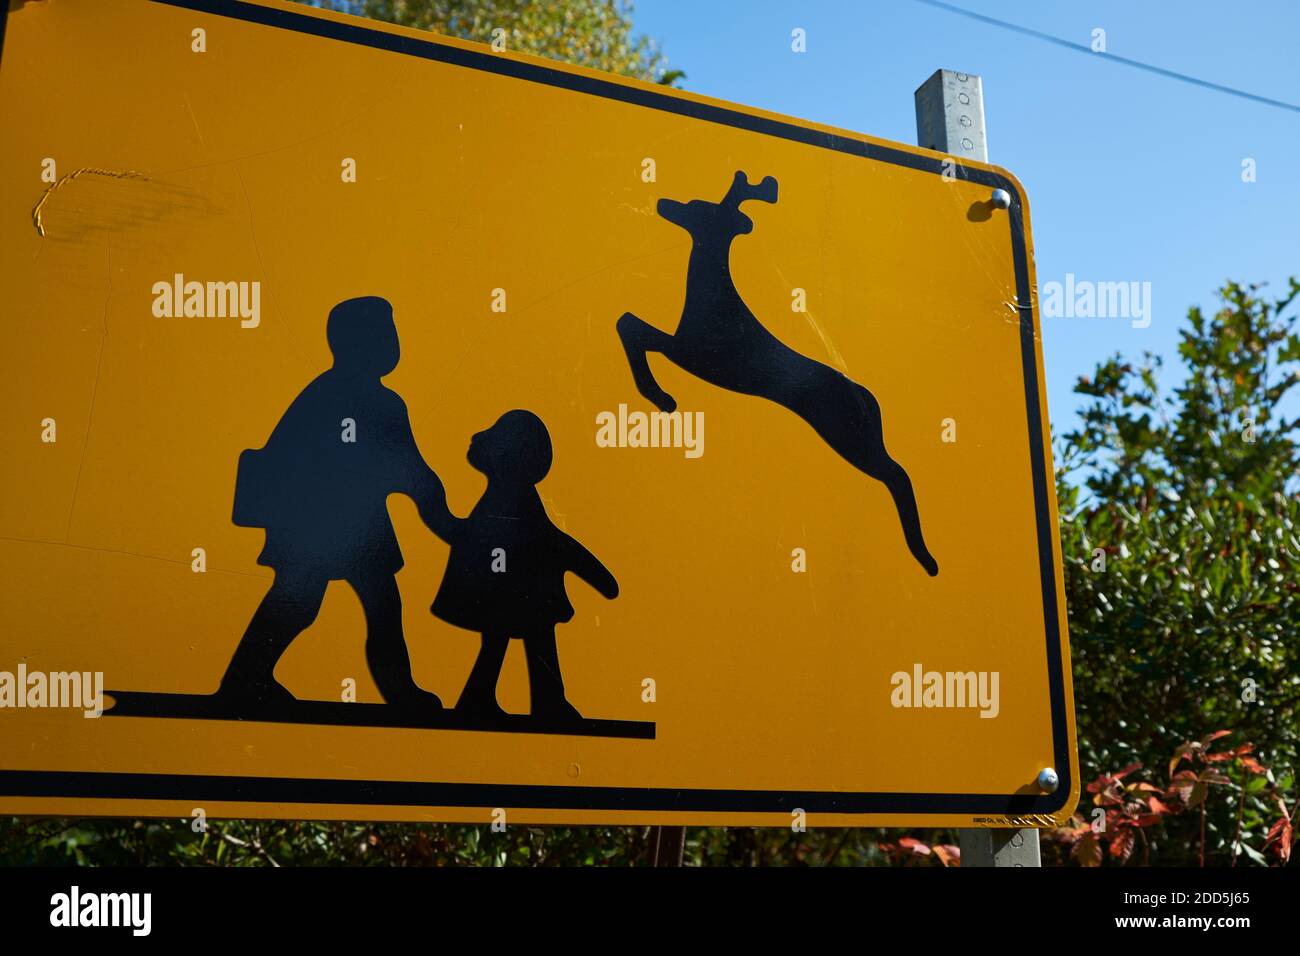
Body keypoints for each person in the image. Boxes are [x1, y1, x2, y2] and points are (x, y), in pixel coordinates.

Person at [219, 296, 452, 711]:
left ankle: (398, 689)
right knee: (316, 604)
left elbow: (409, 471)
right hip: (325, 526)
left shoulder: (343, 395)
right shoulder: (364, 400)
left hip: (345, 526)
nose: (392, 342)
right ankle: (247, 677)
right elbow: (412, 472)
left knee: (368, 606)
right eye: (383, 333)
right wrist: (447, 523)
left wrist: (441, 516)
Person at [432, 410, 618, 722]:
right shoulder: (506, 500)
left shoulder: (512, 499)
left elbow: (549, 538)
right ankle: (515, 698)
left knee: (517, 636)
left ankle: (535, 700)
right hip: (509, 589)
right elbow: (549, 539)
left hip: (519, 589)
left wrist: (597, 575)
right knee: (517, 636)